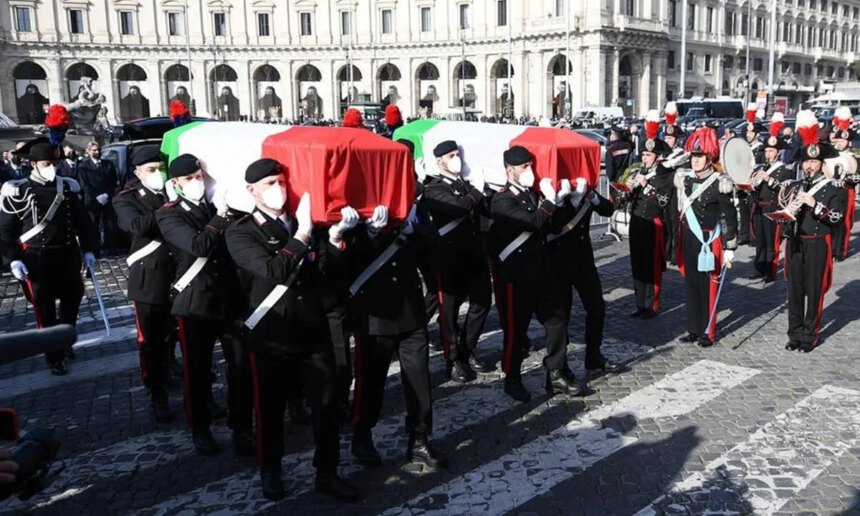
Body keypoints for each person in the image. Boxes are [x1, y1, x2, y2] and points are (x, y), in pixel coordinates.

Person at [225, 159, 360, 502]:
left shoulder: (307, 223)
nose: (279, 189)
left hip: (313, 331)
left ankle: (327, 472)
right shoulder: (241, 231)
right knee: (270, 411)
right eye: (270, 182)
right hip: (272, 334)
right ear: (251, 190)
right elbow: (272, 270)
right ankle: (271, 470)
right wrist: (301, 234)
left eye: (282, 181)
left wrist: (334, 239)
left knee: (327, 407)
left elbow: (329, 275)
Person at [155, 154, 252, 456]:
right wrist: (221, 216)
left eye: (200, 177)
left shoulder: (217, 205)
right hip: (195, 301)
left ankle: (241, 426)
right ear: (176, 184)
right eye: (190, 179)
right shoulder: (169, 214)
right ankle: (200, 426)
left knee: (240, 367)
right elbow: (198, 245)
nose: (197, 183)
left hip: (229, 299)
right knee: (197, 370)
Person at [347, 202, 448, 470]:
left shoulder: (415, 211)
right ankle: (362, 434)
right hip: (375, 315)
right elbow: (346, 263)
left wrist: (414, 227)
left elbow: (434, 254)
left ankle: (419, 439)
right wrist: (369, 235)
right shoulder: (359, 215)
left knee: (418, 380)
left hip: (410, 311)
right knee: (371, 382)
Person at [490, 146, 579, 402]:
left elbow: (550, 224)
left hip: (542, 271)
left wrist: (563, 202)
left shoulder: (532, 194)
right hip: (517, 276)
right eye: (524, 167)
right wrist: (550, 202)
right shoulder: (502, 199)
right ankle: (512, 377)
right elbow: (532, 222)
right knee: (517, 331)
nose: (530, 171)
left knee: (558, 321)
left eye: (531, 165)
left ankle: (555, 372)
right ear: (510, 170)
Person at [0, 140, 95, 375]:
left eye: (54, 163)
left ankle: (63, 341)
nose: (52, 167)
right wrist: (13, 259)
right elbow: (5, 230)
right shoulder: (18, 190)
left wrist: (91, 249)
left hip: (67, 254)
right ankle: (54, 356)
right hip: (36, 257)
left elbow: (83, 222)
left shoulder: (68, 187)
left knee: (72, 301)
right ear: (33, 164)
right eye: (46, 163)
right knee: (45, 308)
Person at [113, 147, 176, 423]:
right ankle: (157, 393)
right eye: (151, 170)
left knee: (176, 335)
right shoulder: (126, 199)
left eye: (160, 168)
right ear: (138, 173)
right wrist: (169, 206)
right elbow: (137, 227)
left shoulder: (174, 190)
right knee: (151, 341)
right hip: (149, 278)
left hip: (180, 275)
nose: (158, 174)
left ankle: (176, 373)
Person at [422, 140, 493, 383]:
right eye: (451, 155)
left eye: (458, 154)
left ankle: (467, 349)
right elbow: (459, 207)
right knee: (449, 312)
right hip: (448, 258)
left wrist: (489, 191)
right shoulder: (434, 189)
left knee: (482, 302)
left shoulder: (466, 184)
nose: (456, 159)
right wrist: (478, 190)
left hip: (474, 254)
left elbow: (484, 211)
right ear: (439, 161)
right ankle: (452, 359)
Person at [784, 111, 847, 352]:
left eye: (814, 162)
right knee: (795, 290)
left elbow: (836, 217)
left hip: (819, 242)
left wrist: (814, 204)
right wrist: (786, 212)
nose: (810, 166)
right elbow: (786, 217)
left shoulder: (834, 187)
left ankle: (810, 334)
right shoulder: (796, 185)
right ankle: (794, 332)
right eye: (807, 162)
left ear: (821, 164)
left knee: (814, 289)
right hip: (796, 242)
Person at [547, 177, 623, 376]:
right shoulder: (556, 193)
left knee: (597, 307)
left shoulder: (585, 192)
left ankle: (593, 354)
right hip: (559, 263)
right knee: (562, 315)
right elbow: (553, 227)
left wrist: (591, 196)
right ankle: (560, 366)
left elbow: (607, 209)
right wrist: (566, 201)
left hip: (584, 261)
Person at [675, 127, 738, 348]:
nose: (695, 161)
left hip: (709, 240)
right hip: (690, 239)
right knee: (692, 286)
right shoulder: (687, 180)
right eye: (693, 156)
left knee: (708, 287)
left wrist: (731, 245)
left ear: (709, 157)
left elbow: (731, 216)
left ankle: (707, 332)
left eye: (700, 156)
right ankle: (693, 329)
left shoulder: (720, 183)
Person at [626, 111, 674, 318]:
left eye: (648, 155)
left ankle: (651, 305)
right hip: (636, 222)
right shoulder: (639, 172)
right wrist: (628, 187)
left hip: (653, 224)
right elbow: (628, 200)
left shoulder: (664, 176)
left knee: (651, 266)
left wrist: (646, 187)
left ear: (657, 157)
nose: (644, 158)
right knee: (637, 264)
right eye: (643, 155)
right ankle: (639, 304)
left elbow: (663, 202)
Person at [750, 114, 793, 283]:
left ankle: (770, 270)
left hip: (772, 207)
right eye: (766, 151)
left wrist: (769, 180)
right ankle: (759, 268)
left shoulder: (783, 170)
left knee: (771, 241)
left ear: (778, 152)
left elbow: (785, 190)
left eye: (771, 151)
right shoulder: (762, 167)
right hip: (759, 206)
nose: (768, 154)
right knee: (760, 240)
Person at [77, 142, 120, 257]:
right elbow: (84, 184)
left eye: (99, 149)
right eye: (94, 150)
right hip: (92, 201)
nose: (97, 152)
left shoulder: (108, 164)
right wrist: (96, 197)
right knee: (93, 226)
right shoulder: (83, 166)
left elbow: (113, 181)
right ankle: (95, 250)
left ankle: (111, 248)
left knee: (109, 224)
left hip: (107, 198)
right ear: (89, 151)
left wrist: (107, 195)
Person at [828, 107, 859, 262]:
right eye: (838, 140)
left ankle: (841, 250)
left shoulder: (854, 156)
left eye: (842, 141)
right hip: (832, 189)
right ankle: (831, 248)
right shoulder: (832, 154)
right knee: (831, 218)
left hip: (847, 190)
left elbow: (857, 176)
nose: (839, 143)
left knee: (845, 221)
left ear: (848, 142)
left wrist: (847, 177)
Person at [662, 102, 686, 264]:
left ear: (676, 140)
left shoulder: (681, 154)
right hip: (665, 193)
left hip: (676, 194)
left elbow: (668, 165)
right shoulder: (663, 153)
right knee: (666, 225)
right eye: (666, 137)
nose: (667, 140)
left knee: (675, 224)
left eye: (670, 138)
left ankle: (675, 254)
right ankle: (666, 251)